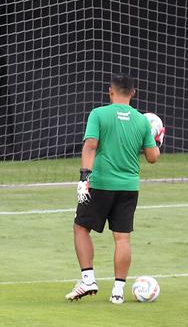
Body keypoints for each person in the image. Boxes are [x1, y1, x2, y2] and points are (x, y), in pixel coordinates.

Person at [66, 74, 161, 303]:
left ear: (111, 91)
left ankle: (88, 279)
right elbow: (152, 157)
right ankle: (118, 292)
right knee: (122, 238)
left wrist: (83, 177)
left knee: (81, 228)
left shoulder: (98, 114)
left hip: (100, 184)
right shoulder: (141, 121)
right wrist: (158, 139)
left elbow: (90, 145)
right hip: (129, 187)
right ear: (133, 93)